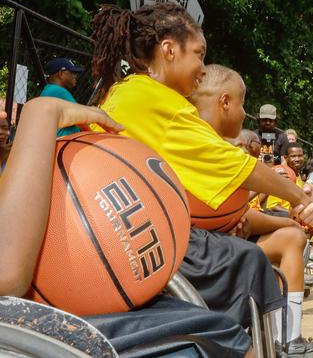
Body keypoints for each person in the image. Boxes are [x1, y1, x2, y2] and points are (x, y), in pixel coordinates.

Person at [91, 6, 313, 357]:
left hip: (129, 233)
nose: (202, 68)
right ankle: (269, 347)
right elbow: (237, 167)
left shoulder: (129, 93)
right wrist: (300, 197)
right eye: (199, 54)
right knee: (249, 261)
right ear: (169, 50)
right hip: (153, 242)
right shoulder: (158, 102)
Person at [0, 96, 253, 357]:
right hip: (27, 321)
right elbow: (8, 274)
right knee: (222, 331)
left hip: (64, 297)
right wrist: (42, 112)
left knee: (218, 325)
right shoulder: (154, 105)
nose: (3, 113)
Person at [188, 64, 313, 357]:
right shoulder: (204, 143)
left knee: (291, 237)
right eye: (242, 103)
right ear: (224, 102)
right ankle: (272, 341)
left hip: (215, 237)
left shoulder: (209, 140)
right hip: (196, 249)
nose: (245, 113)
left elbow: (241, 214)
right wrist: (303, 199)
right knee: (285, 237)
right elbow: (244, 202)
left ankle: (288, 338)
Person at [40, 58, 84, 136]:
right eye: (72, 72)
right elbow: (83, 118)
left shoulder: (49, 90)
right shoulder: (57, 91)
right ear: (61, 74)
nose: (75, 76)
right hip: (65, 143)